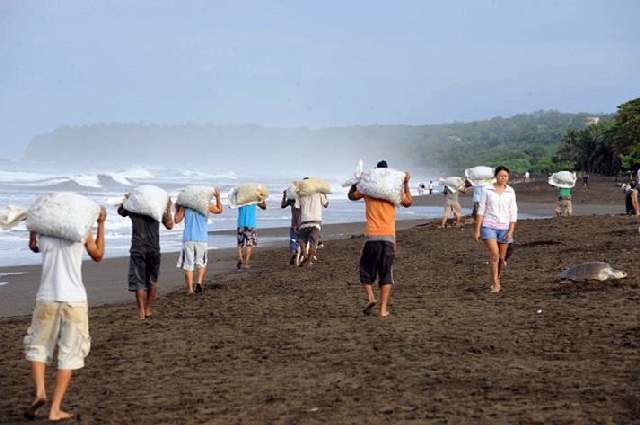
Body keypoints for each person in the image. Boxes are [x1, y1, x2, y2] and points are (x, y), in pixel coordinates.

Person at [24, 208, 106, 421]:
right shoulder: (81, 231)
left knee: (38, 347)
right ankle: (55, 409)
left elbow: (33, 246)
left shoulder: (45, 233)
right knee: (69, 354)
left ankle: (41, 392)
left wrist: (33, 228)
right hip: (75, 300)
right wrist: (100, 224)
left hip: (47, 297)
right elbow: (98, 255)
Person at [348, 160, 412, 318]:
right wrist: (405, 184)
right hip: (388, 238)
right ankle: (383, 310)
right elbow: (408, 202)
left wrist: (356, 181)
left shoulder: (369, 189)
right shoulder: (394, 192)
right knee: (386, 274)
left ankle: (370, 297)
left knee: (365, 270)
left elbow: (351, 196)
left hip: (371, 237)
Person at [118, 197, 174, 320]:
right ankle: (148, 309)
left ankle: (141, 311)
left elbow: (120, 211)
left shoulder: (134, 209)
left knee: (138, 282)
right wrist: (168, 207)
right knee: (152, 281)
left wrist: (127, 199)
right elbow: (170, 225)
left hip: (138, 248)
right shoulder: (157, 209)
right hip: (154, 248)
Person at [474, 166, 517, 293]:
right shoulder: (487, 189)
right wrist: (477, 230)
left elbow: (513, 212)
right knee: (495, 255)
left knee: (502, 258)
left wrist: (511, 231)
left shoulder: (510, 191)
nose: (503, 178)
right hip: (489, 226)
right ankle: (495, 283)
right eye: (501, 176)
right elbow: (481, 210)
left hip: (504, 227)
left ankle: (497, 277)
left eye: (506, 176)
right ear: (496, 176)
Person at [174, 188, 223, 295]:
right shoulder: (206, 205)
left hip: (188, 239)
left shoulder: (185, 206)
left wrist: (177, 207)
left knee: (188, 265)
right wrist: (217, 196)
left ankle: (190, 290)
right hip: (201, 239)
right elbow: (219, 210)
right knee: (201, 263)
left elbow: (176, 220)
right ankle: (199, 282)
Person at [296, 178, 329, 267]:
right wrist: (325, 194)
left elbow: (297, 208)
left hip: (304, 220)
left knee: (301, 239)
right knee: (313, 242)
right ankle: (309, 260)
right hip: (316, 220)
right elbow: (326, 204)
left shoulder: (300, 194)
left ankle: (305, 255)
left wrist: (296, 223)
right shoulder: (319, 193)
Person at [236, 200, 267, 269]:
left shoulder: (241, 199)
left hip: (240, 224)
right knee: (249, 244)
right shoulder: (253, 199)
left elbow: (232, 204)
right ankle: (246, 263)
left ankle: (240, 258)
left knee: (240, 244)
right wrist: (262, 199)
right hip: (250, 224)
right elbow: (264, 207)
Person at [281, 189, 301, 265]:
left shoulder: (291, 200)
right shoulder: (304, 199)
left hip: (294, 224)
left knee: (293, 241)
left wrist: (284, 196)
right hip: (302, 223)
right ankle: (299, 257)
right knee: (302, 241)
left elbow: (282, 205)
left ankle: (293, 253)